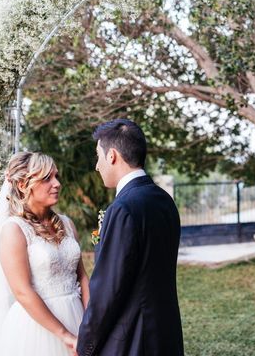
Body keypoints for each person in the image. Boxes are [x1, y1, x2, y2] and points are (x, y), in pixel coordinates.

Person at [77, 119, 184, 356]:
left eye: (98, 156)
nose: (97, 166)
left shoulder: (123, 208)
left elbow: (107, 289)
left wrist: (85, 345)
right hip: (166, 333)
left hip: (133, 340)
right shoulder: (164, 201)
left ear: (112, 155)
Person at [0, 152, 89, 356]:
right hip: (37, 329)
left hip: (78, 316)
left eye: (56, 176)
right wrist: (66, 336)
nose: (57, 184)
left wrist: (91, 320)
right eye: (47, 178)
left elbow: (82, 276)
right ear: (23, 185)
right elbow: (22, 291)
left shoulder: (67, 224)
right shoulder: (14, 230)